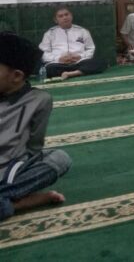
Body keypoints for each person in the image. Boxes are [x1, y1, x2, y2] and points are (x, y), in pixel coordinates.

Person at [0, 32, 72, 222]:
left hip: (11, 170)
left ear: (16, 76)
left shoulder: (40, 100)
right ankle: (16, 203)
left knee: (60, 158)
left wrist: (18, 164)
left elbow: (34, 147)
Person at [38, 6, 108, 80]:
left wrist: (80, 56)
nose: (65, 17)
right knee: (48, 69)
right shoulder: (49, 34)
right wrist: (59, 59)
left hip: (79, 62)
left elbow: (90, 48)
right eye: (61, 16)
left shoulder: (82, 31)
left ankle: (70, 74)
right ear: (56, 20)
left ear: (71, 16)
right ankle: (79, 72)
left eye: (66, 14)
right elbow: (43, 53)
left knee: (100, 62)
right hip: (59, 64)